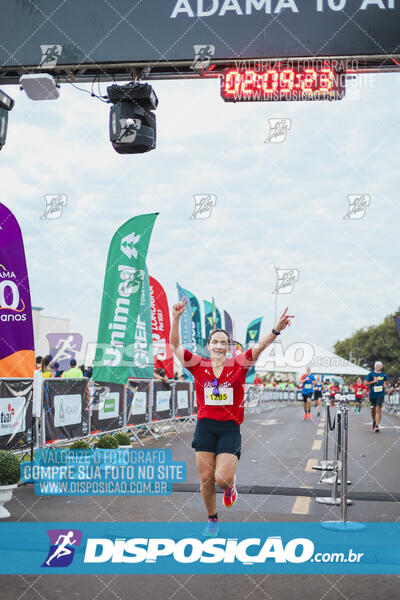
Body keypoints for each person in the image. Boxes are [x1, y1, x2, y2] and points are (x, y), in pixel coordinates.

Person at [170, 298, 293, 536]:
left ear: (228, 347)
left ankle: (230, 486)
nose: (218, 345)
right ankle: (213, 519)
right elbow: (174, 346)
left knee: (222, 479)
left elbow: (259, 347)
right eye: (215, 341)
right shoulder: (198, 364)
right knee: (206, 479)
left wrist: (276, 329)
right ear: (208, 345)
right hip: (205, 426)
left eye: (223, 342)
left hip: (229, 428)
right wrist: (175, 317)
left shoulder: (238, 364)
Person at [365, 361, 388, 432]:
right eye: (377, 365)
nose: (378, 366)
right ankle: (374, 421)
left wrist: (385, 385)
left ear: (381, 367)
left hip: (380, 394)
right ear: (375, 366)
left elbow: (386, 382)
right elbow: (365, 383)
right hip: (372, 394)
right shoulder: (371, 374)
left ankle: (377, 426)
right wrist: (374, 381)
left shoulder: (383, 374)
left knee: (378, 409)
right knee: (372, 409)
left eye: (379, 365)